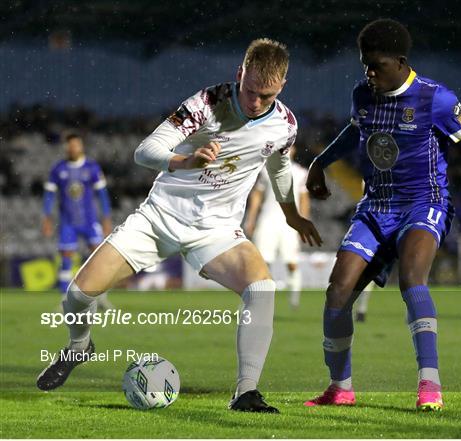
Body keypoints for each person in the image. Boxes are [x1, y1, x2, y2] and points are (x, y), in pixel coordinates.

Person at [36, 38, 322, 413]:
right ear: (240, 74)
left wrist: (291, 213)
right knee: (77, 295)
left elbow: (280, 168)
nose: (254, 103)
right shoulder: (207, 103)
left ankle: (245, 391)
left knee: (262, 289)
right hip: (158, 219)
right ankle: (79, 347)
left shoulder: (284, 125)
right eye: (250, 91)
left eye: (265, 96)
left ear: (281, 86)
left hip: (216, 231)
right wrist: (185, 161)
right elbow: (145, 152)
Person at [303, 19, 461, 411]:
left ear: (400, 62)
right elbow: (355, 132)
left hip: (424, 202)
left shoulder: (436, 99)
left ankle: (430, 385)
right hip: (376, 206)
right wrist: (321, 161)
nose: (369, 72)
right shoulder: (363, 94)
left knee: (412, 278)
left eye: (376, 65)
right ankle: (340, 387)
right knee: (338, 290)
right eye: (364, 64)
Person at [42, 133, 114, 310]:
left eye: (76, 145)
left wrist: (106, 218)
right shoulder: (58, 169)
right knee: (66, 260)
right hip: (68, 222)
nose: (73, 148)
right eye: (70, 146)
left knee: (98, 258)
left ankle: (101, 297)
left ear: (81, 146)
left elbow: (102, 195)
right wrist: (47, 217)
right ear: (66, 148)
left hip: (90, 221)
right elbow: (49, 195)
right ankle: (65, 300)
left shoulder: (92, 167)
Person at [244, 145, 310, 309]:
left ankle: (294, 302)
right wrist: (250, 220)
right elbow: (257, 195)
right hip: (267, 220)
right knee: (263, 263)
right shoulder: (266, 171)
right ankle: (259, 301)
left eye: (290, 147)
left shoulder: (301, 173)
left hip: (290, 223)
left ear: (294, 150)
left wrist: (304, 222)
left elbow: (304, 199)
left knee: (292, 263)